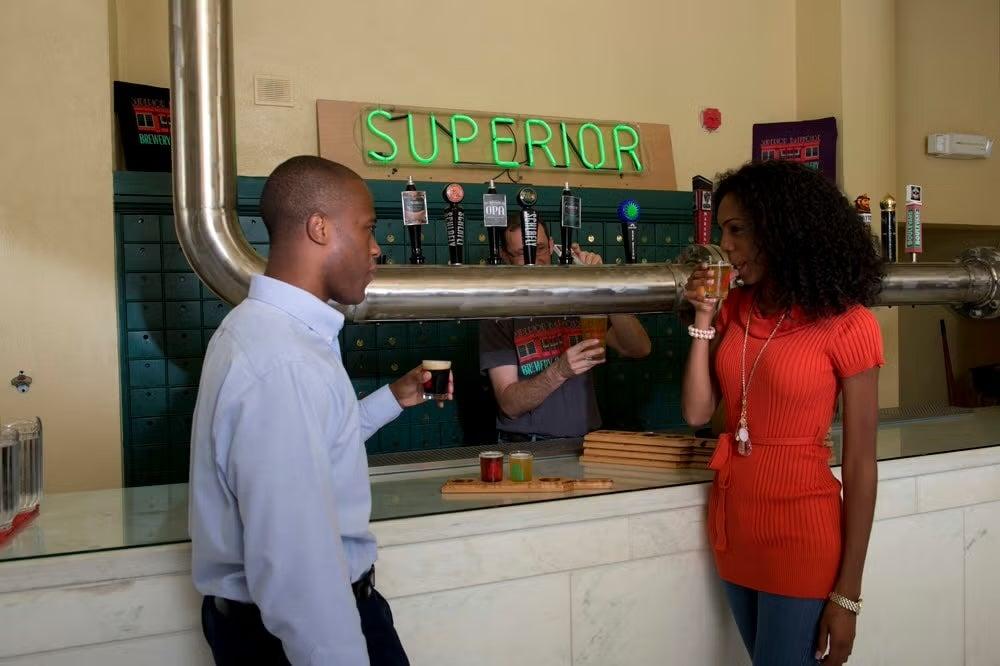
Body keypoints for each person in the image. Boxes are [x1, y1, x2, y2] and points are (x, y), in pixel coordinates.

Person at [189, 156, 448, 665]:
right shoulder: (282, 361)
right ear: (319, 227)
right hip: (299, 638)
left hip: (286, 625)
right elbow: (297, 568)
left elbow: (317, 447)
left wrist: (392, 399)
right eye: (368, 228)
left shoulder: (270, 333)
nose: (377, 248)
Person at [681, 160, 884, 666]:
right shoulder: (735, 308)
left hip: (801, 533)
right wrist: (703, 321)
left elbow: (861, 465)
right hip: (734, 527)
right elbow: (698, 412)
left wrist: (847, 594)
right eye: (722, 230)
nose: (725, 246)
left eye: (738, 230)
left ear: (783, 230)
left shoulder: (850, 324)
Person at [479, 214, 651, 442]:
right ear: (504, 256)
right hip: (526, 445)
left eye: (539, 248)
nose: (534, 259)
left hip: (586, 441)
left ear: (551, 246)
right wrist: (559, 371)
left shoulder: (579, 297)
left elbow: (639, 348)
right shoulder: (497, 312)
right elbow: (509, 405)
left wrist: (602, 284)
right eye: (522, 253)